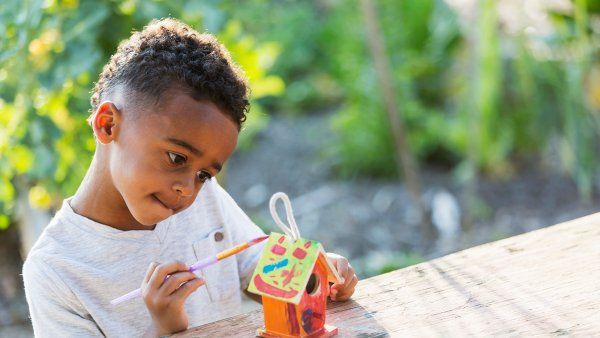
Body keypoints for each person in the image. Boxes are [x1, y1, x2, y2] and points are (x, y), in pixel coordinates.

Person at [22, 18, 358, 337]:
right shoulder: (55, 271)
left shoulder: (204, 198)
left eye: (204, 173)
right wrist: (164, 330)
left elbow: (255, 265)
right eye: (175, 158)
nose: (187, 188)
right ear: (109, 124)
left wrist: (310, 276)